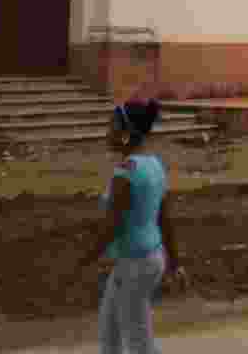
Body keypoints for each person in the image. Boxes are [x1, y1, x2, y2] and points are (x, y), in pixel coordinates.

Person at [80, 97, 186, 354]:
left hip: (134, 264)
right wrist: (175, 262)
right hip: (148, 259)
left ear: (127, 133)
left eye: (112, 125)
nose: (108, 131)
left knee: (139, 341)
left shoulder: (125, 174)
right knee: (110, 333)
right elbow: (164, 219)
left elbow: (111, 228)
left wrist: (83, 261)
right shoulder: (154, 166)